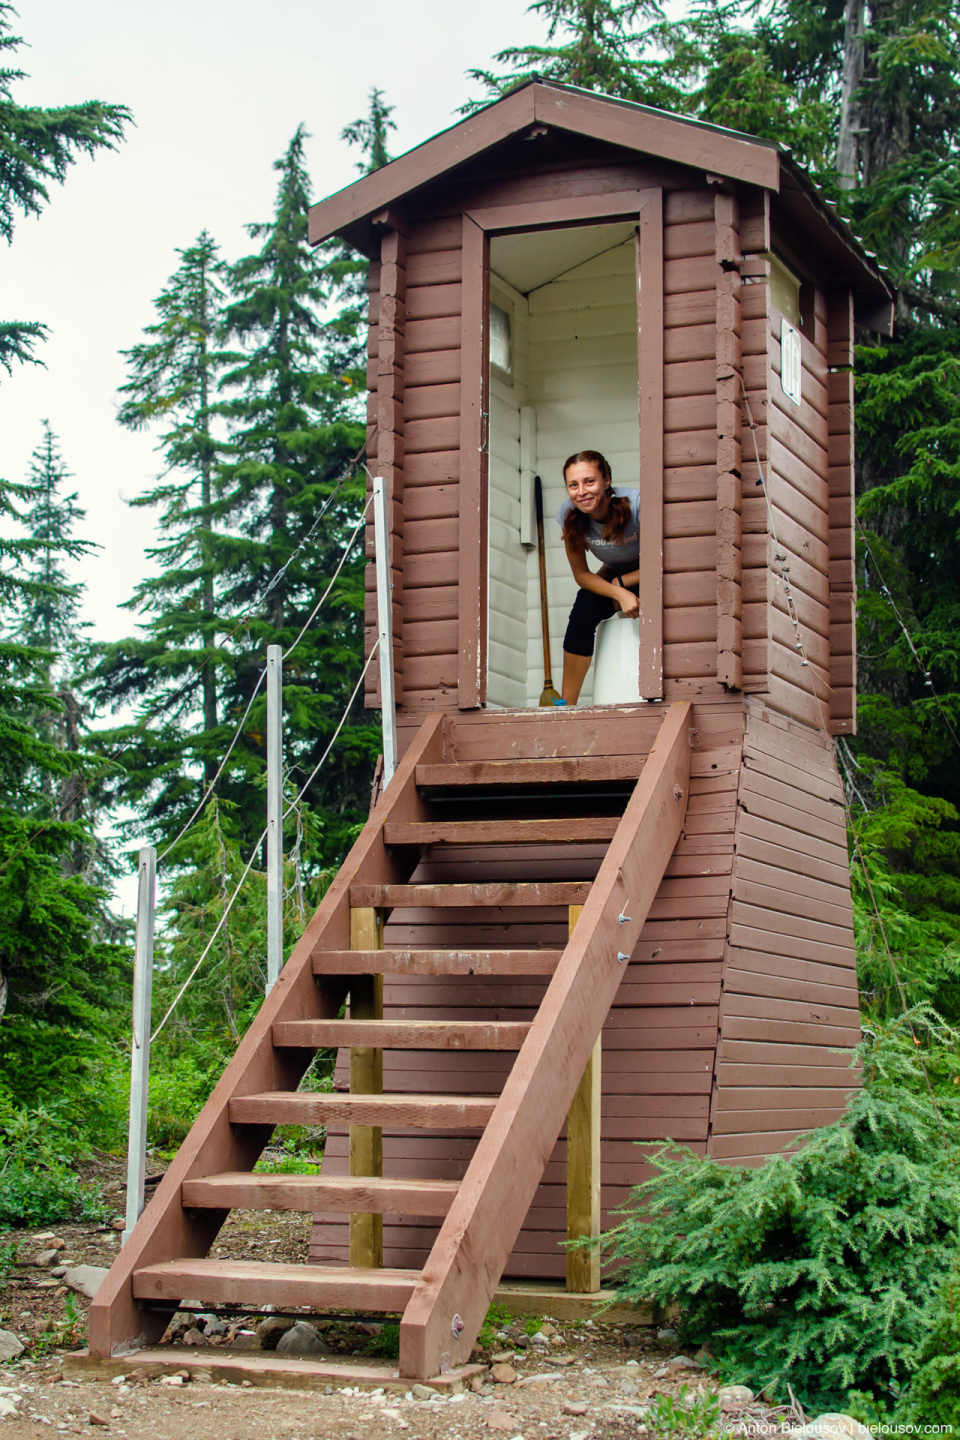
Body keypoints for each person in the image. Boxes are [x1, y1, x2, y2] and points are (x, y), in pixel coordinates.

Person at [556, 449, 640, 705]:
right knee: (584, 607)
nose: (582, 492)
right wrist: (618, 591)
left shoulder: (637, 505)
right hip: (617, 577)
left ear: (606, 480)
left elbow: (666, 558)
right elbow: (582, 575)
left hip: (654, 573)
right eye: (573, 485)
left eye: (589, 482)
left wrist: (623, 584)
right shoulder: (569, 515)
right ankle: (566, 705)